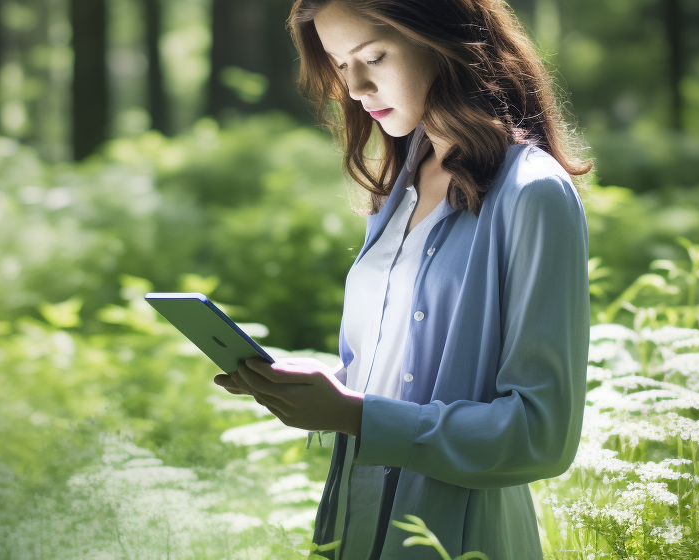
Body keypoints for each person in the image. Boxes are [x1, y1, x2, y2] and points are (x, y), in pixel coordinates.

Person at [211, 0, 593, 557]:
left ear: (439, 38)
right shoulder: (398, 185)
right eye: (341, 65)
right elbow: (401, 372)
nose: (357, 86)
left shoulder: (532, 193)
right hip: (354, 527)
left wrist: (352, 414)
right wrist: (314, 386)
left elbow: (541, 436)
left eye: (374, 57)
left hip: (458, 537)